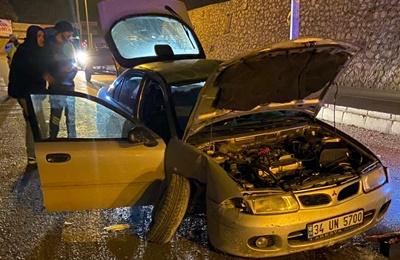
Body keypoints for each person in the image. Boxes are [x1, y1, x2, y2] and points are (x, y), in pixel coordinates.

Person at [8, 26, 53, 171]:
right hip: (25, 93)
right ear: (32, 36)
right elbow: (21, 74)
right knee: (36, 123)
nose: (42, 39)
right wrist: (42, 74)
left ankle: (35, 156)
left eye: (43, 36)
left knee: (34, 123)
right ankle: (35, 157)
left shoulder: (38, 51)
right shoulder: (24, 51)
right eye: (39, 36)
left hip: (35, 93)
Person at [45, 21, 78, 139]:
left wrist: (72, 69)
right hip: (56, 86)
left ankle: (73, 140)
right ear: (61, 32)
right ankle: (52, 140)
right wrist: (58, 71)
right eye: (68, 31)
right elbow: (46, 64)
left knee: (71, 117)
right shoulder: (49, 44)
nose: (70, 34)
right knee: (55, 116)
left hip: (69, 86)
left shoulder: (69, 45)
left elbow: (75, 63)